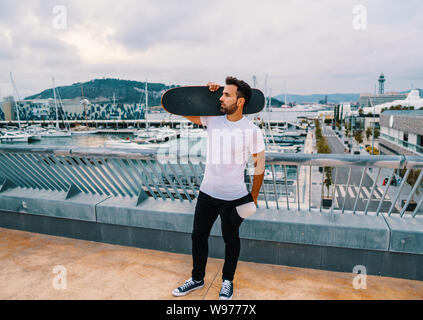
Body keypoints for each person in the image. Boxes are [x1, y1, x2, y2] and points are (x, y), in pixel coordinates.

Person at [171, 76, 265, 300]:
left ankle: (227, 282)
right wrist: (208, 93)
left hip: (235, 198)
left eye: (227, 94)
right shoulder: (213, 120)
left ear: (240, 101)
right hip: (207, 193)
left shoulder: (251, 131)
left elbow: (259, 165)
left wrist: (253, 198)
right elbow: (182, 107)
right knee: (198, 236)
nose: (222, 97)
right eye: (222, 93)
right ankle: (197, 278)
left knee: (230, 240)